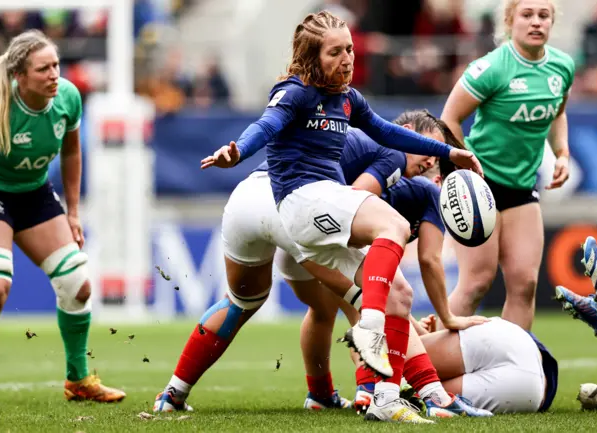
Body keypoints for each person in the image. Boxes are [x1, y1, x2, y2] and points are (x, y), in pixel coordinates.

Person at [201, 11, 482, 402]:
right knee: (391, 235)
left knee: (377, 297)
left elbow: (387, 130)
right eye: (335, 52)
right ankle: (376, 354)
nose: (347, 58)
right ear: (313, 57)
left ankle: (384, 397)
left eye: (350, 49)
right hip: (299, 206)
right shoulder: (296, 92)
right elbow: (266, 126)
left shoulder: (347, 100)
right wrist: (238, 151)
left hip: (312, 214)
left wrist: (449, 150)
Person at [154, 109, 472, 424]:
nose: (431, 160)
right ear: (403, 130)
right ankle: (429, 395)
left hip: (248, 198)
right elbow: (353, 200)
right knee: (388, 295)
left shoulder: (347, 132)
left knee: (253, 303)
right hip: (294, 210)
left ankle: (173, 393)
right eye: (427, 146)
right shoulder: (391, 153)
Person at [0, 30, 125, 402]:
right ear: (19, 76)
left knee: (79, 284)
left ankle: (77, 381)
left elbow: (72, 153)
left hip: (35, 194)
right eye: (43, 68)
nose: (54, 74)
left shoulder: (68, 97)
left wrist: (74, 213)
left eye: (56, 65)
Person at [440, 0, 575, 330]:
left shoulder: (562, 66)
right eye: (527, 15)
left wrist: (562, 153)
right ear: (510, 21)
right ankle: (425, 368)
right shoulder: (492, 68)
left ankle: (515, 370)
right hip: (480, 186)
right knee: (477, 283)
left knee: (524, 284)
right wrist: (464, 172)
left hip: (522, 189)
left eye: (543, 16)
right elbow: (449, 119)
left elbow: (557, 112)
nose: (536, 22)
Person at [414, 315, 558, 414]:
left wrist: (417, 335)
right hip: (533, 391)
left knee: (401, 390)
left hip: (504, 343)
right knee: (412, 395)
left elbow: (398, 298)